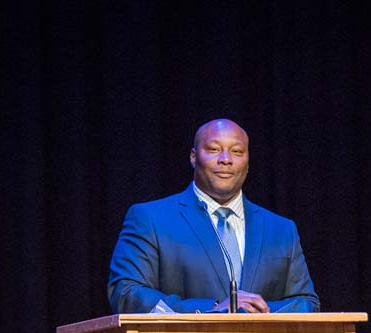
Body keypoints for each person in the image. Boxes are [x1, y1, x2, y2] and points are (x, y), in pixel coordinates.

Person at [108, 118, 320, 314]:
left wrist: (254, 311)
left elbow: (306, 302)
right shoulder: (151, 218)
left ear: (247, 160)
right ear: (193, 157)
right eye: (214, 149)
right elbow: (126, 293)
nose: (225, 159)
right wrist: (213, 309)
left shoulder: (281, 230)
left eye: (236, 151)